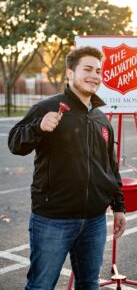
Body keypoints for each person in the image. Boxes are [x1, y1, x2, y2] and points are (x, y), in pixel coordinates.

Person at [8, 46, 126, 290]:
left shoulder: (101, 118)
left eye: (98, 71)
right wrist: (38, 127)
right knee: (41, 285)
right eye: (87, 69)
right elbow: (15, 143)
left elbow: (110, 166)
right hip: (53, 219)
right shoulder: (47, 108)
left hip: (94, 220)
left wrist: (119, 207)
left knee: (89, 284)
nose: (94, 75)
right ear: (70, 73)